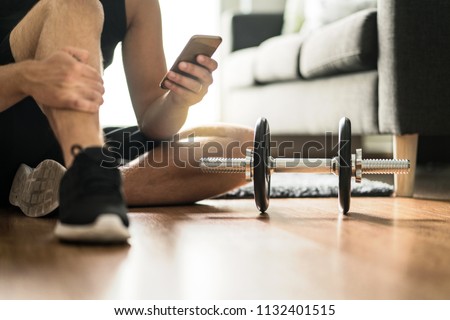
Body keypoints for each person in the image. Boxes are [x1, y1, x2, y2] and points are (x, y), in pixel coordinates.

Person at [0, 0, 253, 243]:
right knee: (75, 4)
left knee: (248, 148)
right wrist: (27, 76)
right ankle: (89, 184)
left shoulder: (138, 3)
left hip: (62, 150)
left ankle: (71, 185)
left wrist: (178, 100)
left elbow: (152, 125)